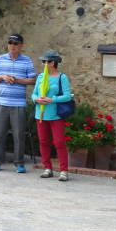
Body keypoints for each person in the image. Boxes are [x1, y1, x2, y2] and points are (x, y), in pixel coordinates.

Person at [0, 33, 37, 173]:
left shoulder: (27, 60)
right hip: (1, 102)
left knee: (18, 135)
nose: (12, 46)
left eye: (15, 43)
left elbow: (33, 80)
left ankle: (19, 163)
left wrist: (18, 80)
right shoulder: (0, 58)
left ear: (21, 45)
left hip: (18, 104)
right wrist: (3, 77)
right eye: (10, 43)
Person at [31, 50, 72, 182]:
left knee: (59, 142)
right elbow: (33, 94)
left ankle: (64, 171)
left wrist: (52, 99)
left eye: (46, 61)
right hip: (41, 114)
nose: (44, 63)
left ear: (53, 62)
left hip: (56, 115)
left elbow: (67, 96)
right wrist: (36, 99)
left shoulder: (62, 77)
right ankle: (47, 168)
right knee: (43, 142)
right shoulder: (40, 77)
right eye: (43, 61)